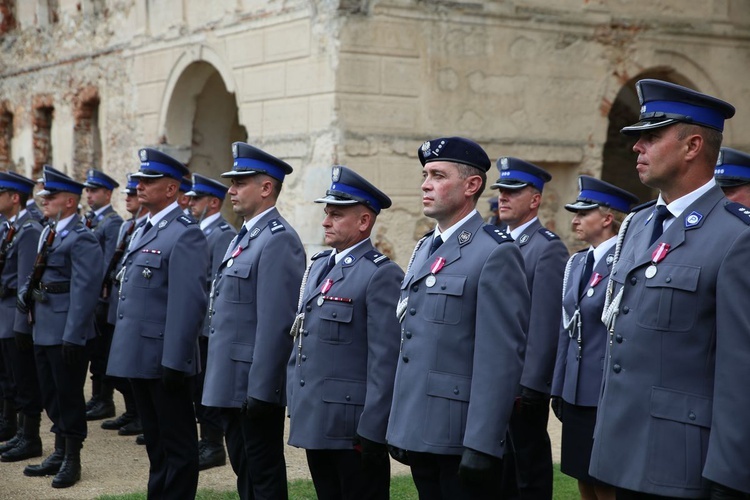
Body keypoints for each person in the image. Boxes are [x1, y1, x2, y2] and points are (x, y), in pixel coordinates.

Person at [590, 79, 750, 498]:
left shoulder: (736, 237)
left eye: (651, 137)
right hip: (619, 454)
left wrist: (729, 476)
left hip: (682, 464)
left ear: (692, 146)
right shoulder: (637, 226)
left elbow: (741, 372)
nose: (636, 148)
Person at [386, 137, 530, 499]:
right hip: (421, 426)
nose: (425, 184)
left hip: (459, 435)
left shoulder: (494, 253)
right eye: (424, 174)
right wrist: (402, 424)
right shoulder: (425, 248)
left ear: (471, 185)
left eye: (437, 175)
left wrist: (482, 443)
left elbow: (499, 359)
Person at [287, 166, 403, 500]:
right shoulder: (321, 265)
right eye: (327, 213)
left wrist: (373, 427)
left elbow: (385, 359)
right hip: (318, 415)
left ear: (364, 221)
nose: (325, 221)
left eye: (336, 215)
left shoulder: (380, 274)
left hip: (352, 424)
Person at [202, 142, 305, 500]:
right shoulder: (245, 236)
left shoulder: (278, 241)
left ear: (266, 188)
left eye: (240, 182)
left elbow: (277, 325)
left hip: (253, 388)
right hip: (234, 381)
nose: (231, 189)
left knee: (263, 475)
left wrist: (261, 390)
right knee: (244, 470)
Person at [106, 148, 208, 500]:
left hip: (165, 360)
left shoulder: (184, 233)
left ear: (170, 189)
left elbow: (188, 304)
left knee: (177, 447)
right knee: (156, 444)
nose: (139, 186)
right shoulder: (143, 229)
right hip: (141, 355)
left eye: (149, 181)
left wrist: (175, 361)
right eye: (139, 180)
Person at [551, 176, 638, 500]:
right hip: (576, 390)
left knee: (605, 479)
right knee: (581, 474)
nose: (574, 219)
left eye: (583, 213)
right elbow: (568, 329)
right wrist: (559, 385)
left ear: (607, 217)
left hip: (605, 391)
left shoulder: (624, 262)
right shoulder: (577, 263)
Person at [18, 166, 103, 488]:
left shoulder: (82, 238)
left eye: (50, 197)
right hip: (43, 325)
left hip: (66, 329)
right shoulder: (48, 231)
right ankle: (58, 449)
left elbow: (85, 290)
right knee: (50, 393)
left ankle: (72, 457)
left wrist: (73, 334)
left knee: (68, 396)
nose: (44, 201)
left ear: (69, 201)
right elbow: (37, 272)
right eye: (44, 196)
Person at [493, 156, 569, 500]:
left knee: (528, 470)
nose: (503, 197)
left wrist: (532, 384)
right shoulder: (495, 243)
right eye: (501, 191)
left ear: (535, 199)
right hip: (493, 377)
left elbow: (544, 321)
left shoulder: (546, 248)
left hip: (522, 385)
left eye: (512, 191)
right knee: (497, 469)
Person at [185, 173, 236, 471]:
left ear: (213, 203)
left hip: (206, 324)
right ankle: (204, 439)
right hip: (194, 322)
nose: (190, 203)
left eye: (196, 199)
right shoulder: (197, 231)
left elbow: (216, 285)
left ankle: (213, 443)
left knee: (206, 386)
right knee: (196, 387)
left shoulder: (222, 233)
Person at [0, 171, 44, 462]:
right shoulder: (11, 227)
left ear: (14, 197)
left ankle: (30, 437)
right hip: (4, 315)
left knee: (22, 378)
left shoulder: (28, 230)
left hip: (14, 315)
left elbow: (26, 280)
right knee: (8, 375)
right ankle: (15, 429)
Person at [100, 174, 145, 437]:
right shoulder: (128, 226)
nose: (128, 198)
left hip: (134, 308)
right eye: (127, 194)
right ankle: (131, 411)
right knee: (116, 364)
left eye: (132, 194)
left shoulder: (138, 227)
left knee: (133, 366)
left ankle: (139, 414)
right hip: (118, 302)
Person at [82, 169, 124, 422]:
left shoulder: (112, 222)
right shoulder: (90, 219)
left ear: (107, 194)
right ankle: (97, 397)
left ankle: (104, 399)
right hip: (92, 297)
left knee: (101, 351)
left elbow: (107, 264)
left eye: (94, 190)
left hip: (102, 298)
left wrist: (98, 296)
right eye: (87, 190)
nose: (89, 194)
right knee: (94, 350)